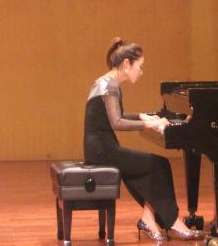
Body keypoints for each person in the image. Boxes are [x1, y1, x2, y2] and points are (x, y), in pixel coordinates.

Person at [84, 38, 203, 243]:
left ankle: (149, 219)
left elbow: (113, 115)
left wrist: (142, 116)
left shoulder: (105, 82)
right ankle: (172, 223)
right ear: (126, 64)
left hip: (100, 149)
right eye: (139, 66)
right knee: (158, 164)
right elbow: (117, 122)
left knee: (156, 165)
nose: (141, 72)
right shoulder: (110, 87)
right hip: (103, 152)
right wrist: (149, 124)